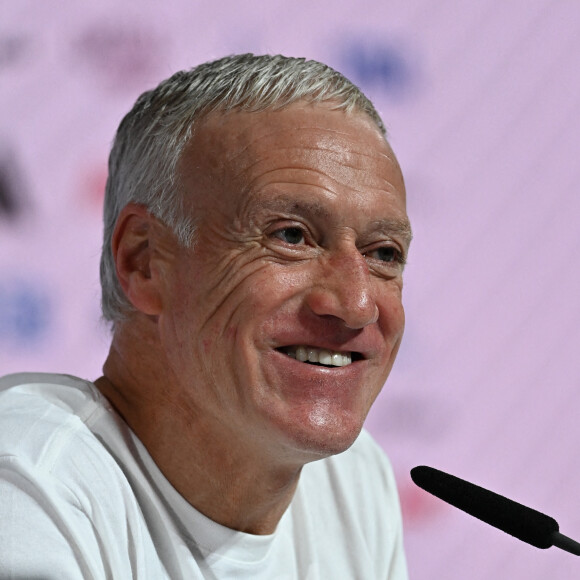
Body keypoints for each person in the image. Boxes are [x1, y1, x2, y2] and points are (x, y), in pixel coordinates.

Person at [0, 53, 412, 578]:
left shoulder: (350, 483)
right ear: (144, 261)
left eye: (384, 254)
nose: (355, 303)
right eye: (291, 236)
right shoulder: (26, 487)